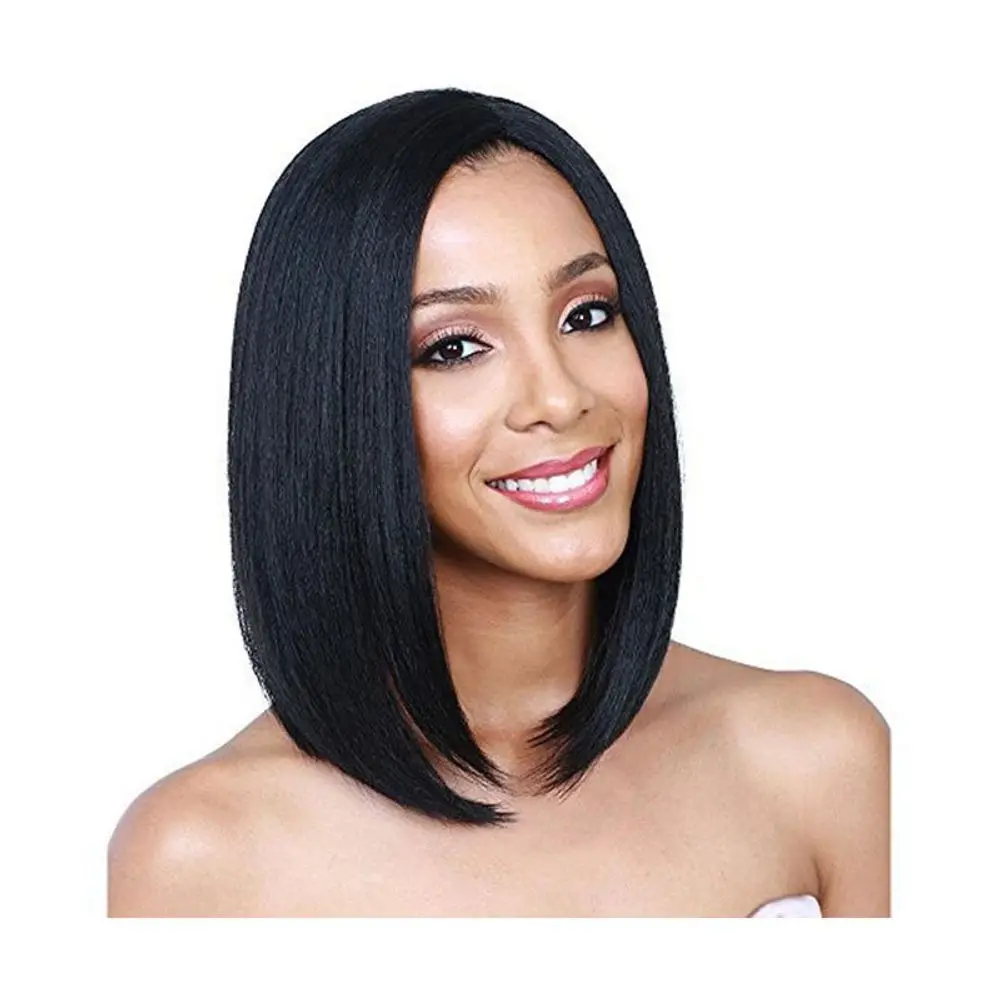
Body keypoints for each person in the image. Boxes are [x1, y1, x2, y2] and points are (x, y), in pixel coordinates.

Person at [107, 88, 890, 917]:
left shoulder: (819, 757)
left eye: (587, 314)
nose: (559, 397)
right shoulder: (200, 860)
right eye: (454, 347)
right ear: (331, 406)